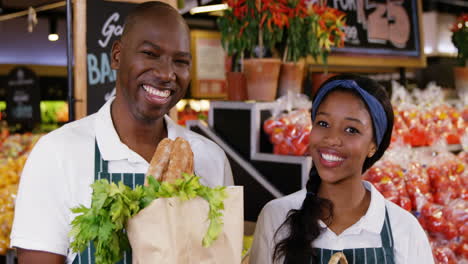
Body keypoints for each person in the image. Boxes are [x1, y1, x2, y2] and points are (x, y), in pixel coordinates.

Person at [10, 2, 233, 263]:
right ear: (117, 55)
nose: (166, 73)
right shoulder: (57, 153)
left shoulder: (211, 159)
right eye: (150, 54)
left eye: (180, 61)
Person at [249, 74, 434, 264]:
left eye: (351, 129)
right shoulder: (276, 217)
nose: (332, 139)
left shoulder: (403, 229)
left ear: (373, 146)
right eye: (323, 123)